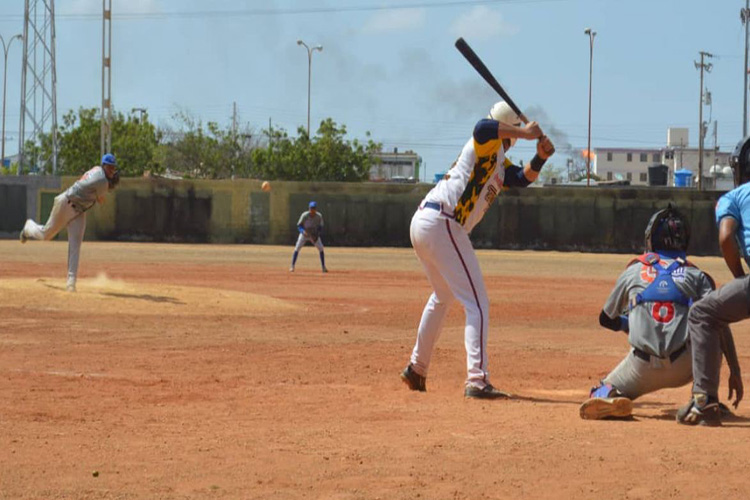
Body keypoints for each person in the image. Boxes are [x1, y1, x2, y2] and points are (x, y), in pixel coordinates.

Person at [400, 101, 554, 399]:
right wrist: (525, 132)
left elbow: (521, 179)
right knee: (478, 303)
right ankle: (477, 380)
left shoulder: (497, 161)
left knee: (442, 296)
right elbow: (482, 128)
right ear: (507, 134)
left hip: (428, 222)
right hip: (443, 222)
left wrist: (540, 157)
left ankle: (417, 368)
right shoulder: (485, 143)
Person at [579, 205, 740, 420]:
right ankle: (704, 398)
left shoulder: (634, 270)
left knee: (598, 392)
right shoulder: (697, 275)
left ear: (650, 238)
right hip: (687, 364)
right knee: (713, 328)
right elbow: (720, 327)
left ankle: (609, 394)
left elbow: (606, 319)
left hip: (642, 367)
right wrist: (735, 372)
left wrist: (631, 323)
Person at [677, 166, 750, 426]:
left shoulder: (734, 197)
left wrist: (741, 277)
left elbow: (726, 236)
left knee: (701, 314)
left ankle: (705, 401)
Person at [19, 153, 120, 292]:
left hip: (78, 211)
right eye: (109, 167)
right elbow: (101, 199)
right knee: (45, 235)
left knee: (75, 245)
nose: (111, 170)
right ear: (104, 165)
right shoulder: (102, 180)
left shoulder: (97, 170)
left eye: (113, 168)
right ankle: (29, 227)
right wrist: (109, 186)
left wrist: (106, 186)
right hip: (66, 204)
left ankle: (71, 283)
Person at [290, 201, 327, 273]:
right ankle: (292, 266)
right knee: (297, 248)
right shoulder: (305, 215)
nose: (312, 210)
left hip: (313, 234)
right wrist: (302, 231)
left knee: (321, 248)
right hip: (305, 234)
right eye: (311, 208)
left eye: (313, 208)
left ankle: (323, 267)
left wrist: (317, 234)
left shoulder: (319, 216)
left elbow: (320, 226)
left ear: (316, 209)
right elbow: (299, 225)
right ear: (309, 208)